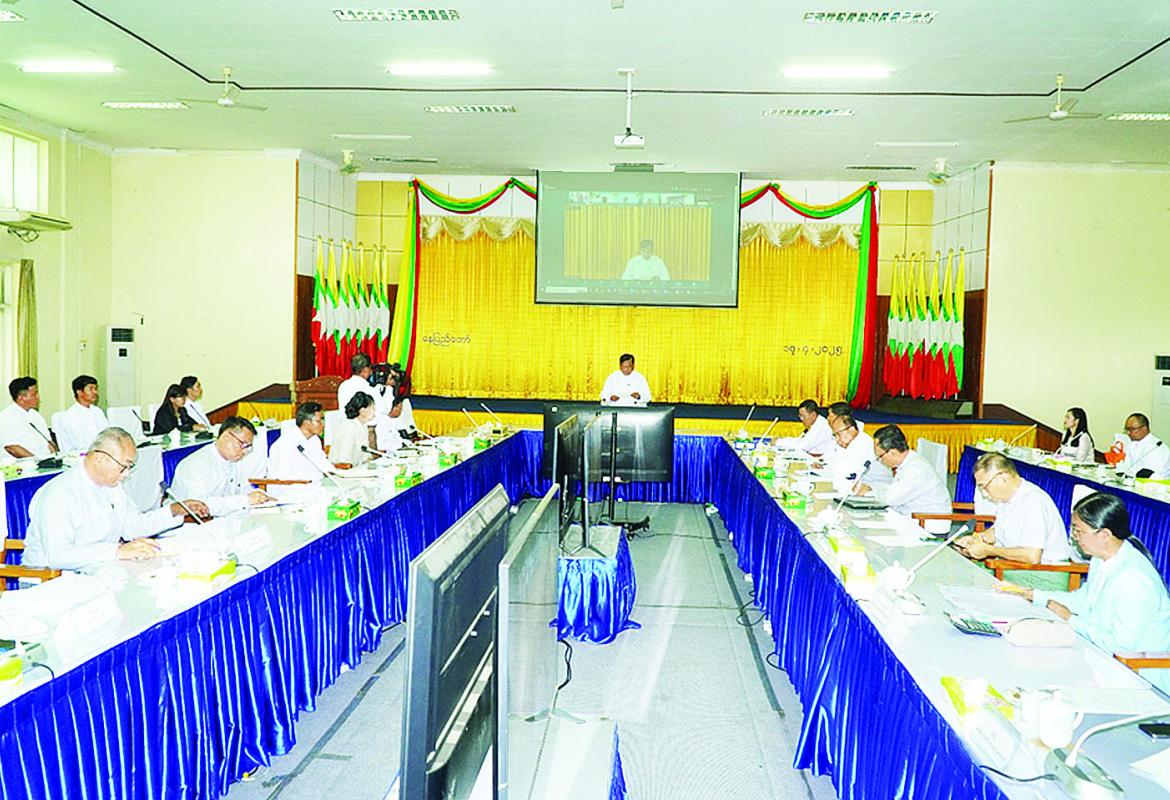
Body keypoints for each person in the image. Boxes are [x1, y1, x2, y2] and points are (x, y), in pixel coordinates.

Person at [999, 492, 1170, 693]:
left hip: (1137, 675)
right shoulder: (1101, 558)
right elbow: (1083, 600)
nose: (1074, 537)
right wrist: (1033, 595)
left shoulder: (1134, 579)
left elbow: (1121, 646)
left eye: (1079, 531)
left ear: (1104, 535)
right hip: (1101, 657)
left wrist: (1070, 620)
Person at [22, 427, 209, 570]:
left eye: (130, 467)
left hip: (97, 570)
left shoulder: (112, 486)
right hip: (50, 580)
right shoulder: (59, 493)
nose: (126, 474)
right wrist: (117, 551)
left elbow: (131, 526)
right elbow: (58, 556)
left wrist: (173, 511)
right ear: (100, 459)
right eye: (124, 466)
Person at [957, 452, 1075, 587]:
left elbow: (1031, 556)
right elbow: (1001, 530)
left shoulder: (1033, 501)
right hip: (1017, 567)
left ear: (1003, 478)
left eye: (985, 487)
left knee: (971, 582)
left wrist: (987, 550)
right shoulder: (1006, 497)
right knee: (963, 573)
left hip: (1043, 575)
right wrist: (978, 538)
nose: (984, 494)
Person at [171, 417, 274, 516]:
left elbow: (242, 489)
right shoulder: (197, 463)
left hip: (225, 517)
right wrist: (245, 500)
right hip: (191, 523)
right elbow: (199, 506)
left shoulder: (234, 460)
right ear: (226, 436)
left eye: (248, 447)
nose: (245, 452)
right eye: (243, 445)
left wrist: (261, 496)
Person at [857, 425, 951, 521]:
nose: (880, 461)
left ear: (892, 452)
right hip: (911, 516)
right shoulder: (908, 463)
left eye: (880, 456)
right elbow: (894, 489)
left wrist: (868, 493)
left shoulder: (915, 469)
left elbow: (890, 499)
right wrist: (872, 488)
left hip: (925, 521)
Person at [268, 402, 333, 484]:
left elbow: (322, 462)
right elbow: (284, 475)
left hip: (311, 484)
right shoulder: (287, 442)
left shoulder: (314, 439)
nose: (323, 424)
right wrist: (317, 475)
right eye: (319, 421)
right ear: (306, 423)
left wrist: (336, 471)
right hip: (287, 487)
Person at [825, 413, 890, 494]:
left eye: (839, 434)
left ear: (851, 429)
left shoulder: (863, 444)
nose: (837, 439)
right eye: (835, 435)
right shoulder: (852, 443)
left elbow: (844, 472)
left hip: (874, 490)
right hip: (855, 488)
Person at [0, 377, 56, 458]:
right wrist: (37, 461)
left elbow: (49, 442)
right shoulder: (6, 417)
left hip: (45, 462)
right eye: (34, 394)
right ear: (21, 398)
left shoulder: (36, 415)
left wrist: (56, 458)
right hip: (22, 463)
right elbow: (12, 448)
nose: (38, 397)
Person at [55, 374, 109, 453]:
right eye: (91, 389)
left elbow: (106, 435)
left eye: (95, 388)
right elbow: (76, 445)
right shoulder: (69, 416)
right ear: (79, 392)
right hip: (80, 455)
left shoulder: (98, 412)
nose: (95, 392)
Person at [1116, 412, 1170, 479]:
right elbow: (1127, 467)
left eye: (1132, 429)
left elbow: (1148, 475)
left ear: (1144, 428)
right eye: (1127, 429)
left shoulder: (1157, 447)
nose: (1129, 432)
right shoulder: (1133, 444)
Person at [330, 392, 378, 467]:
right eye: (372, 408)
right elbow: (344, 460)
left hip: (358, 468)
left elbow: (364, 454)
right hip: (343, 470)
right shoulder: (349, 427)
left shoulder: (362, 425)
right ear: (363, 410)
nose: (375, 411)